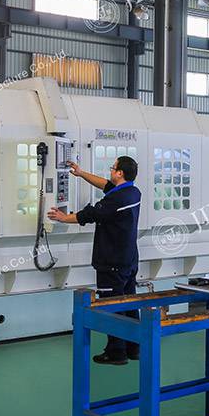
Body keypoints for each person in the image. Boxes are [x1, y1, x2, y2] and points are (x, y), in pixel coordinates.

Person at [47, 156, 142, 365]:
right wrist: (81, 173)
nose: (111, 170)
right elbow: (106, 185)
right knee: (129, 302)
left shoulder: (115, 200)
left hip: (112, 261)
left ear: (120, 173)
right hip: (128, 259)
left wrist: (63, 218)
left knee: (112, 306)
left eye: (113, 168)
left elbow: (90, 214)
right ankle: (134, 347)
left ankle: (116, 353)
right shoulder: (132, 192)